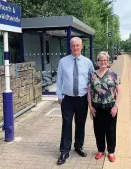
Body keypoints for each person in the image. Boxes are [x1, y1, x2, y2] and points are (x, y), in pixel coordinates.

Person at [56, 37, 94, 165]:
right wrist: (59, 95)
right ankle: (64, 151)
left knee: (81, 124)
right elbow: (59, 79)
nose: (75, 48)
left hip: (82, 99)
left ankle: (78, 146)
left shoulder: (88, 62)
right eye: (73, 46)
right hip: (67, 99)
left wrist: (92, 99)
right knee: (66, 124)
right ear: (70, 47)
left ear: (81, 46)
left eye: (77, 45)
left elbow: (92, 80)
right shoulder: (63, 62)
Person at [87, 51, 121, 162]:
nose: (103, 62)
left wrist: (115, 106)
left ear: (108, 61)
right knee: (98, 130)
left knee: (111, 130)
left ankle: (111, 152)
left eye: (105, 60)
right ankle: (100, 150)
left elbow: (119, 92)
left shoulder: (113, 74)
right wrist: (90, 106)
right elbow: (89, 91)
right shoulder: (92, 75)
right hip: (97, 107)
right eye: (101, 60)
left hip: (110, 107)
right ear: (97, 61)